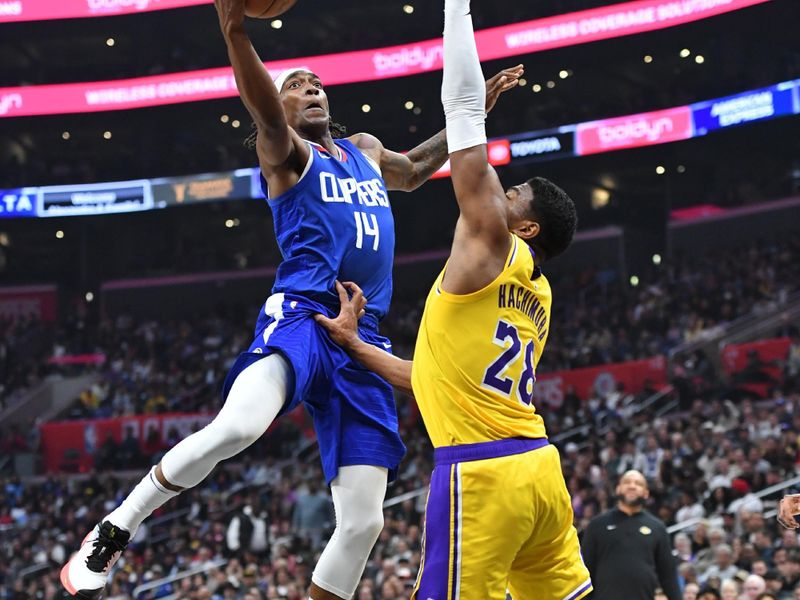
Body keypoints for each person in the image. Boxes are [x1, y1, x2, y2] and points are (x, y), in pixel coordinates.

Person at [59, 0, 523, 598]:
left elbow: (412, 172)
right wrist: (234, 31)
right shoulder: (285, 156)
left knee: (365, 521)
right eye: (295, 87)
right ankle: (115, 527)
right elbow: (262, 109)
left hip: (365, 337)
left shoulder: (366, 150)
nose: (310, 90)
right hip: (303, 316)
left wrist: (472, 116)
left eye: (316, 84)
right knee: (239, 427)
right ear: (276, 108)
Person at [314, 1, 589, 597]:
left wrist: (457, 9)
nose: (500, 192)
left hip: (482, 474)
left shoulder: (494, 241)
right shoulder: (537, 296)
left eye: (513, 193)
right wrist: (356, 345)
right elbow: (432, 379)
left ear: (527, 226)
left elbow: (462, 109)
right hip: (540, 471)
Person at [580, 470, 681, 600]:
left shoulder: (658, 528)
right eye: (627, 482)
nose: (632, 486)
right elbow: (585, 571)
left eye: (638, 483)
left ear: (646, 493)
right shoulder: (596, 525)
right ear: (618, 489)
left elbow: (668, 576)